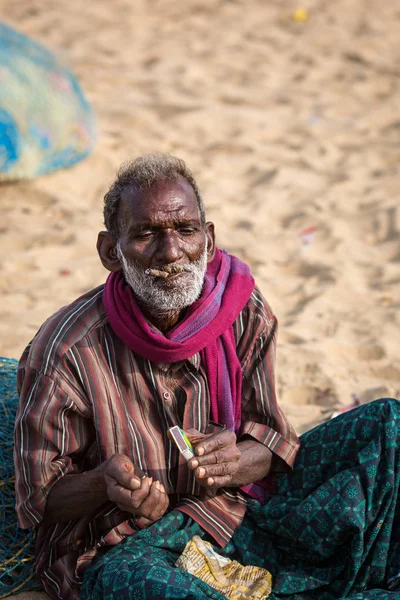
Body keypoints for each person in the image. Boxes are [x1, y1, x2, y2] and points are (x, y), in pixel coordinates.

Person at [14, 154, 400, 600]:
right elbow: (40, 499)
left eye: (186, 230)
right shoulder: (65, 349)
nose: (172, 252)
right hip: (135, 542)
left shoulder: (243, 310)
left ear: (209, 239)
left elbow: (273, 440)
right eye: (145, 234)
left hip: (241, 512)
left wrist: (238, 459)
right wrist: (107, 483)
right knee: (132, 583)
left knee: (387, 425)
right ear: (109, 252)